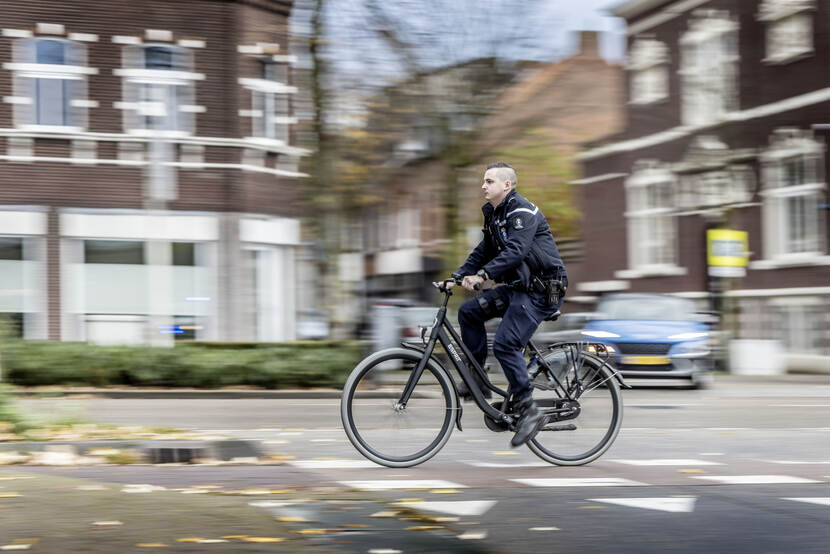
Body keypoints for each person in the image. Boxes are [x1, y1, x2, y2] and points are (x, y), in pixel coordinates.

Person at [450, 162, 567, 447]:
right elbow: (484, 250)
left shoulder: (521, 211)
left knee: (505, 344)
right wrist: (456, 277)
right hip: (519, 288)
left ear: (507, 185)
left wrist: (484, 275)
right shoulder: (495, 216)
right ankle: (477, 378)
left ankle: (529, 409)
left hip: (542, 290)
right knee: (469, 312)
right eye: (483, 181)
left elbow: (517, 251)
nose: (483, 186)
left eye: (489, 181)